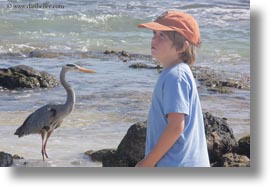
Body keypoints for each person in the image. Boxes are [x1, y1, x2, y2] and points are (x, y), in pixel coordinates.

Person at [136, 10, 210, 167]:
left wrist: (148, 163)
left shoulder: (175, 76)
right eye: (154, 33)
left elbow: (176, 126)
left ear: (181, 47)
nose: (154, 39)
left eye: (162, 36)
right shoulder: (176, 72)